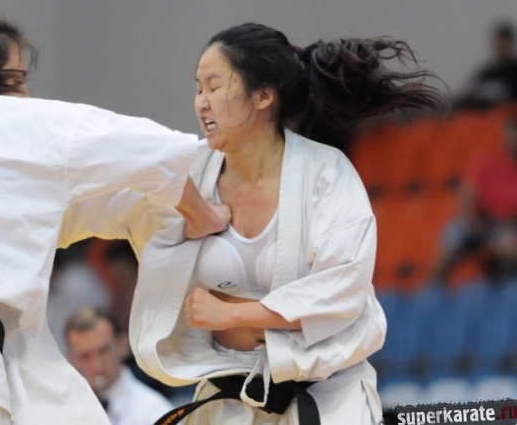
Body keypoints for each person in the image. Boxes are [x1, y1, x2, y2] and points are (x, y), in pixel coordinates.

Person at [0, 13, 229, 425]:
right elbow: (160, 152)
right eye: (19, 78)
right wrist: (204, 215)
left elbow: (43, 218)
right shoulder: (4, 117)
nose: (26, 94)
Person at [125, 23, 446, 425]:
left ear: (263, 96)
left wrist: (233, 315)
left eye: (214, 86)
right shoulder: (186, 175)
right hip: (227, 399)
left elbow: (341, 288)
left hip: (327, 399)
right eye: (198, 89)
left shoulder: (326, 173)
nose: (201, 102)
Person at [432, 115, 517, 284]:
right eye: (509, 137)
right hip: (475, 220)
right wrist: (474, 222)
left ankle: (501, 288)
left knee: (510, 246)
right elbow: (466, 195)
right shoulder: (486, 163)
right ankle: (432, 291)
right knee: (451, 238)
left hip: (505, 225)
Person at [65, 307, 174, 425]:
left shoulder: (154, 412)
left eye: (104, 351)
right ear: (73, 358)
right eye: (85, 356)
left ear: (122, 345)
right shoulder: (63, 410)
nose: (97, 365)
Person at [457, 21, 517, 110]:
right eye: (499, 42)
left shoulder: (514, 71)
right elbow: (471, 91)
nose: (501, 46)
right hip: (485, 115)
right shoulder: (486, 72)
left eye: (505, 42)